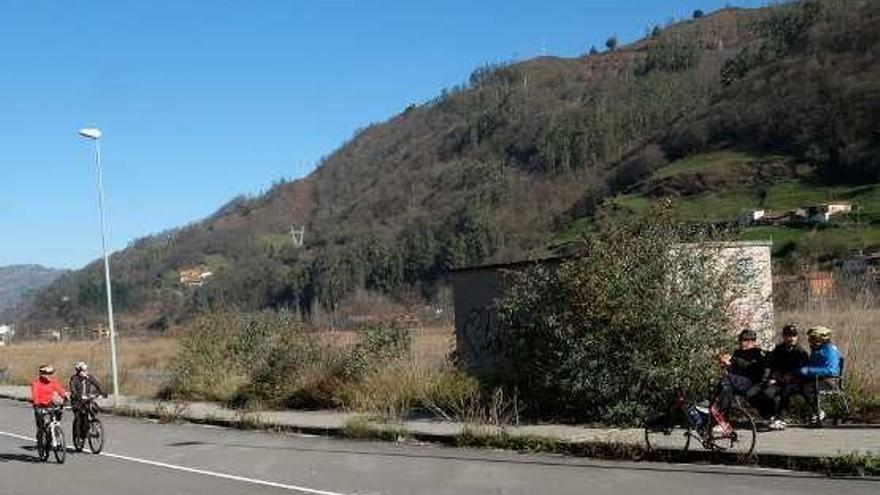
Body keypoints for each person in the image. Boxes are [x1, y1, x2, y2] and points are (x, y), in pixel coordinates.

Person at [762, 324, 809, 430]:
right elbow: (772, 366)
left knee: (786, 391)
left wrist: (792, 377)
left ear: (797, 337)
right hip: (779, 380)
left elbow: (804, 371)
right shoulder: (778, 350)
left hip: (796, 382)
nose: (791, 338)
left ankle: (782, 419)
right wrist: (773, 377)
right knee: (767, 392)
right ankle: (772, 417)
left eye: (793, 335)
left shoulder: (801, 352)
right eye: (788, 336)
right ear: (783, 336)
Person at [714, 329, 768, 414]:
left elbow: (752, 368)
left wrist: (733, 360)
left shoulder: (758, 353)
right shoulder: (738, 352)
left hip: (751, 383)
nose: (741, 343)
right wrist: (727, 365)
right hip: (737, 382)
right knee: (725, 387)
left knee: (726, 381)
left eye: (743, 340)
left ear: (750, 341)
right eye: (741, 340)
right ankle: (722, 417)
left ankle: (720, 412)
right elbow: (734, 370)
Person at [797, 325, 841, 425]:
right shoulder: (817, 350)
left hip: (830, 381)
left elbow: (831, 370)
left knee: (808, 388)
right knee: (799, 386)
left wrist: (809, 370)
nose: (810, 341)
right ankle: (814, 411)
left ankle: (819, 412)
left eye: (813, 339)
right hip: (817, 379)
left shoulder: (830, 351)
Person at [30, 365, 67, 439]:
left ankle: (55, 428)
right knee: (41, 427)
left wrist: (65, 397)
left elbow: (59, 389)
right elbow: (35, 395)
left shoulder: (53, 381)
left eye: (51, 373)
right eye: (48, 374)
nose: (50, 375)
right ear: (42, 374)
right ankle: (41, 444)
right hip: (40, 405)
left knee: (57, 412)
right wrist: (36, 404)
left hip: (49, 403)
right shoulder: (36, 382)